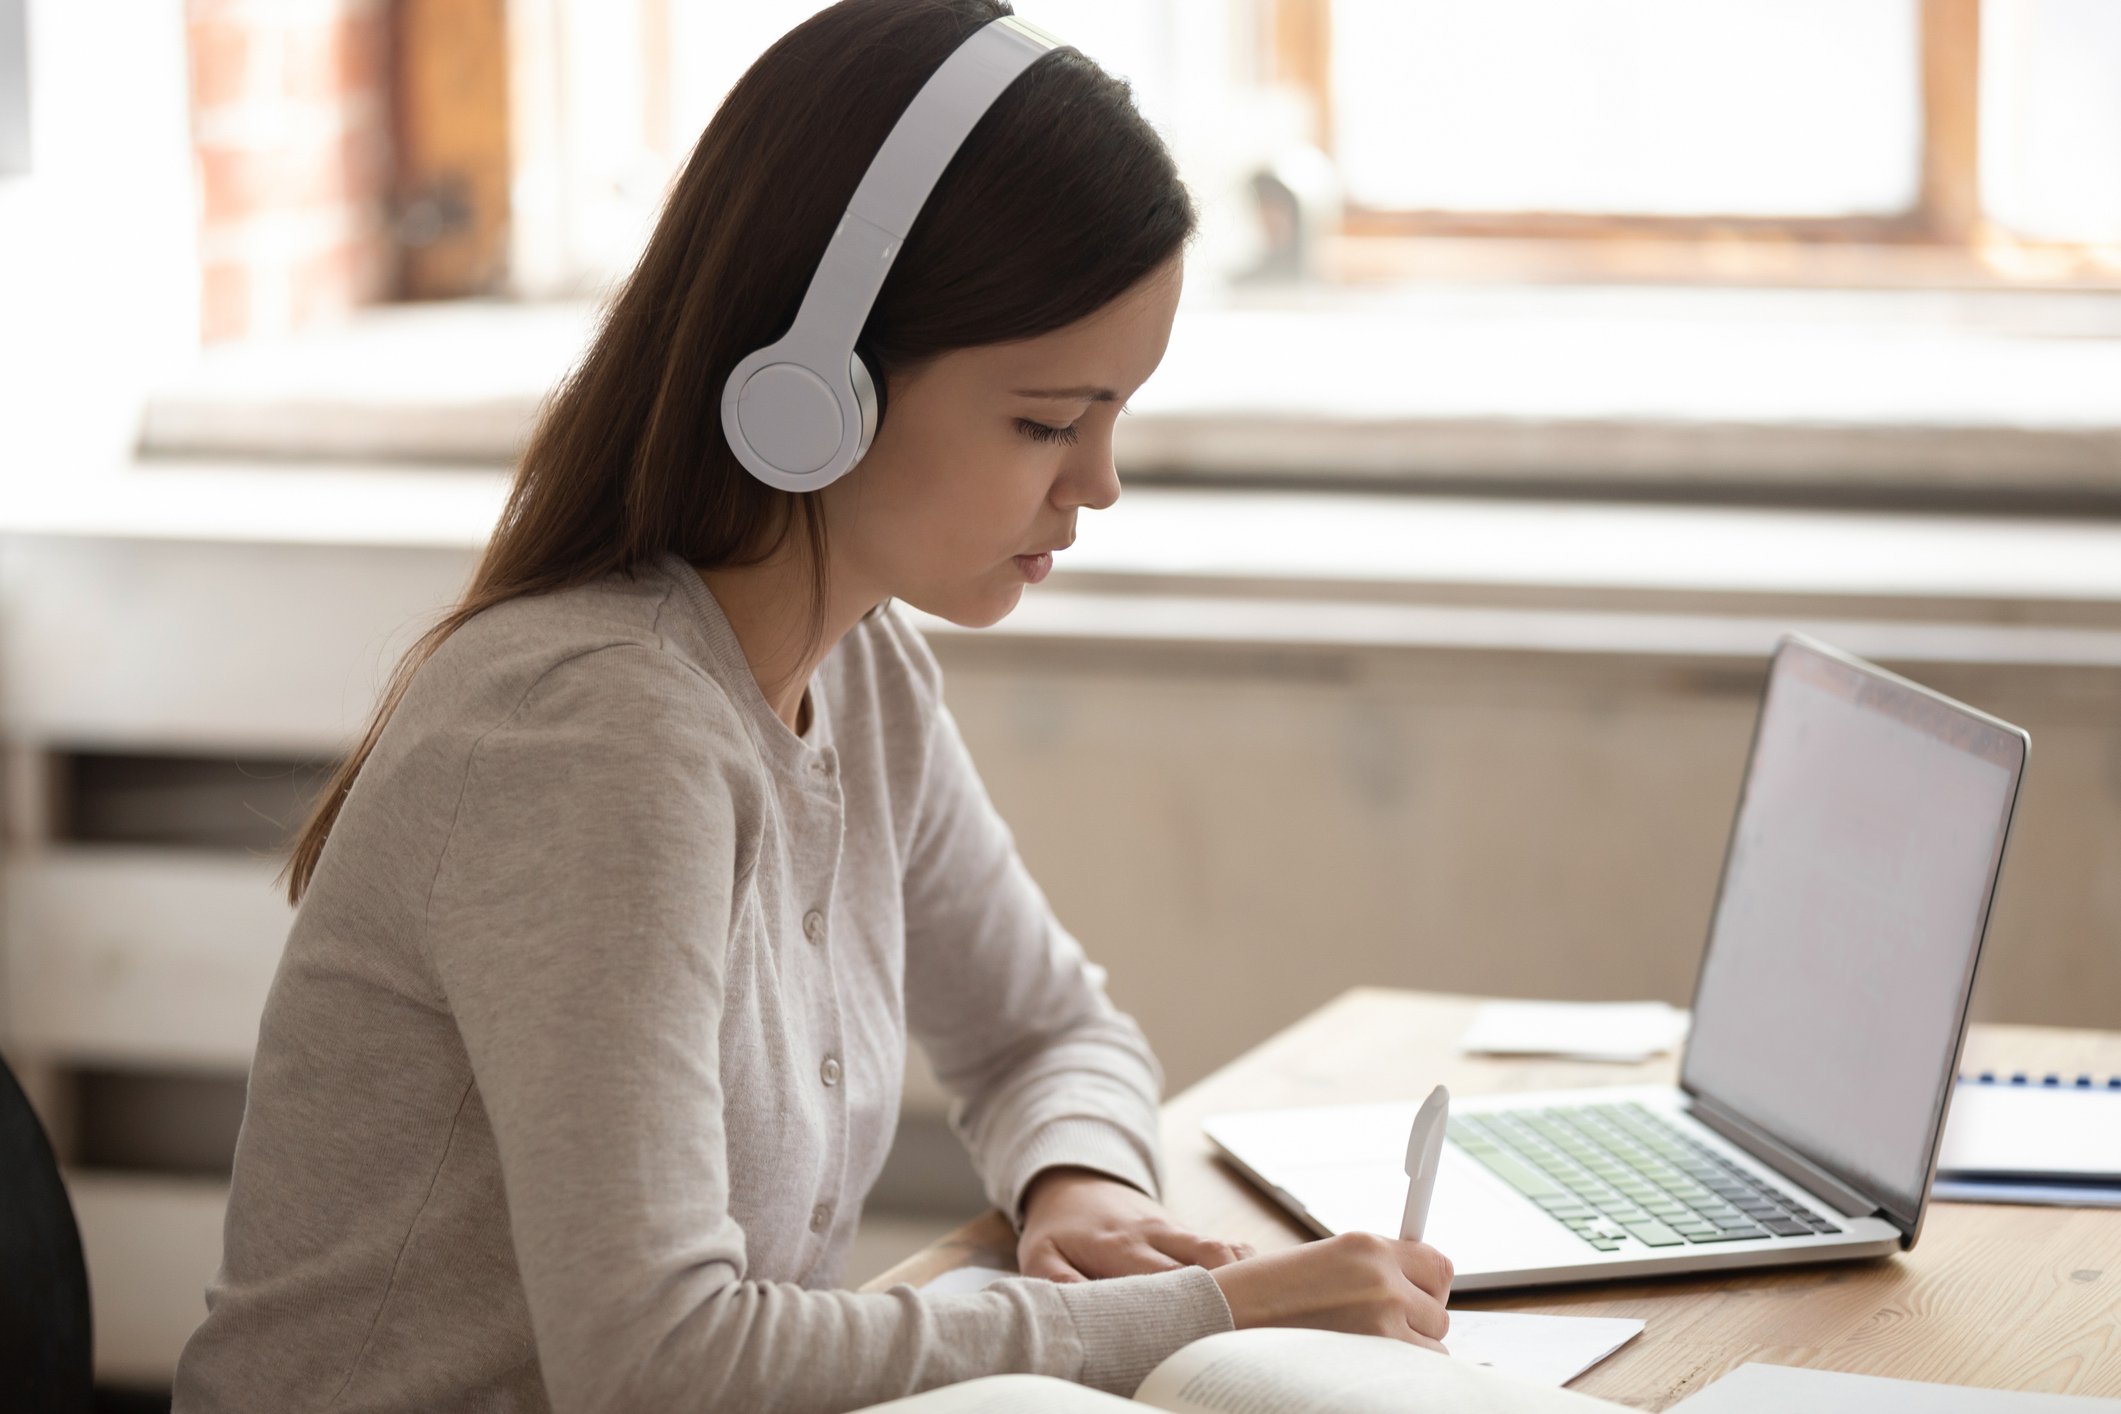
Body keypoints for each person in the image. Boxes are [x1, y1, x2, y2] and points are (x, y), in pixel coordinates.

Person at [171, 3, 1453, 1410]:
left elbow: (1045, 1030)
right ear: (810, 392)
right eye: (1044, 421)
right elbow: (662, 1360)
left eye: (1111, 416)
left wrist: (1076, 1184)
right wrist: (1196, 1312)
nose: (1098, 483)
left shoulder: (860, 666)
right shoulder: (595, 739)